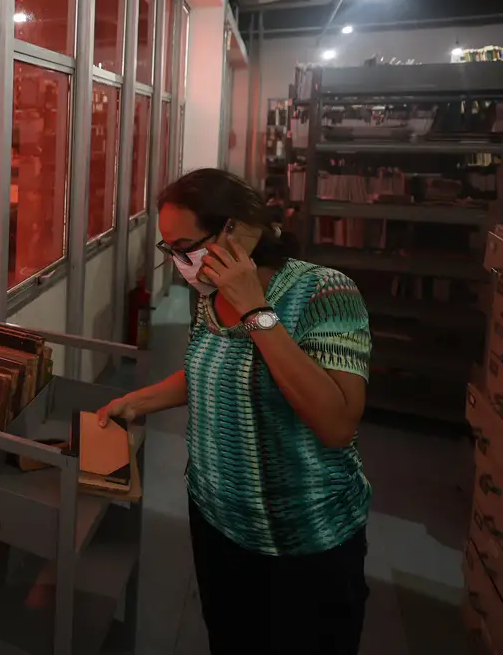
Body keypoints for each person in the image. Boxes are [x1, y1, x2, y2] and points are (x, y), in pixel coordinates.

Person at [98, 168, 372, 654]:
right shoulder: (209, 297)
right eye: (169, 250)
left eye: (186, 248)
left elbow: (336, 424)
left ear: (237, 229)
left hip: (303, 543)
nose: (180, 264)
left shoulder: (324, 292)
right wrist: (137, 402)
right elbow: (207, 370)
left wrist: (256, 312)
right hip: (217, 523)